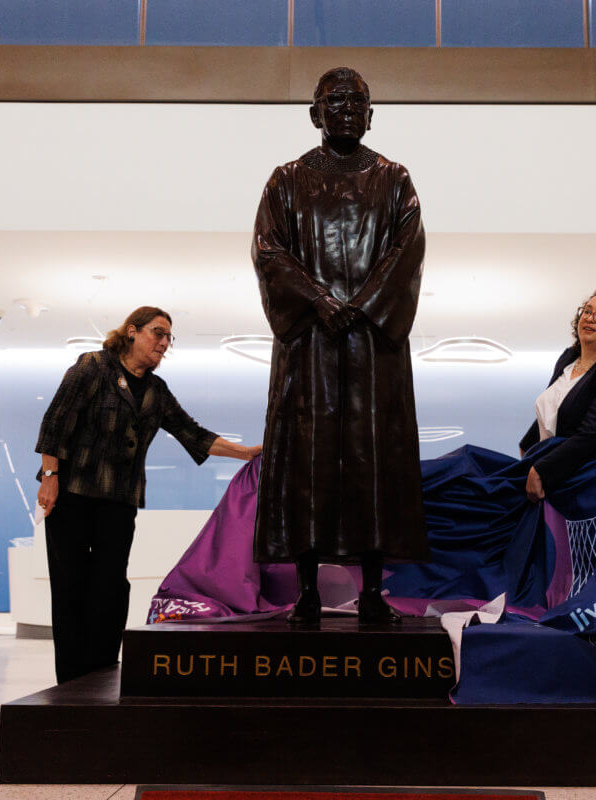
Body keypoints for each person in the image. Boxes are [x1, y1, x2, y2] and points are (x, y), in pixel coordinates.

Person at [251, 67, 428, 626]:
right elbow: (268, 250)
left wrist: (364, 304)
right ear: (315, 113)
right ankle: (306, 591)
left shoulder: (394, 179)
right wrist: (319, 301)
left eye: (358, 102)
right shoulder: (286, 180)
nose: (348, 109)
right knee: (309, 462)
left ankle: (373, 591)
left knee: (373, 461)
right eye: (336, 101)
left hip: (373, 347)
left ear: (371, 114)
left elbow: (407, 248)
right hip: (310, 345)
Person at [35, 306, 260, 684]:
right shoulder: (93, 367)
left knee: (111, 585)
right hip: (73, 495)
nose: (163, 342)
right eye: (158, 333)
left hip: (120, 501)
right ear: (132, 332)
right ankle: (71, 679)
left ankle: (102, 671)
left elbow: (193, 434)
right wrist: (50, 476)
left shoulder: (156, 391)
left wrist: (246, 452)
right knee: (71, 583)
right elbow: (55, 424)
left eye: (169, 337)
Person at [520, 289, 596, 502]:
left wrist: (542, 470)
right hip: (550, 472)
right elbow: (557, 409)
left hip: (588, 484)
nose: (590, 318)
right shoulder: (567, 359)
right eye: (587, 311)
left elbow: (593, 435)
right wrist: (527, 446)